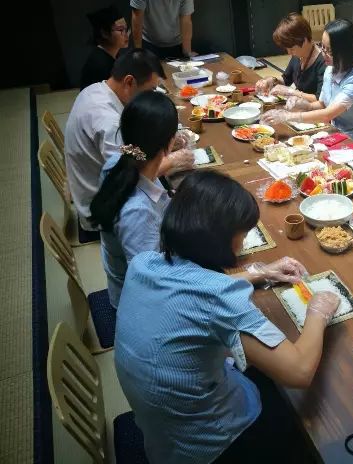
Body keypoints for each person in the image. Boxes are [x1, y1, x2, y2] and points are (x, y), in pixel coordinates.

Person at [114, 170, 340, 463]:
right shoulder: (220, 298)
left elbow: (193, 286)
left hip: (160, 432)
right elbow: (299, 372)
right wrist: (318, 313)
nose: (244, 243)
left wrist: (260, 273)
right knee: (315, 420)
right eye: (243, 234)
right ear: (221, 240)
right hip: (207, 446)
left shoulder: (144, 263)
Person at [65, 48, 194, 231]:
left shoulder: (96, 89)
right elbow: (130, 176)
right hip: (104, 212)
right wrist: (173, 161)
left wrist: (163, 142)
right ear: (129, 82)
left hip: (101, 192)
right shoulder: (108, 123)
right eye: (151, 90)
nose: (152, 96)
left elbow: (131, 153)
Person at [89, 91, 176, 308]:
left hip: (134, 274)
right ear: (170, 143)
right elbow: (151, 283)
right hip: (136, 304)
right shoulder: (138, 212)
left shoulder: (118, 162)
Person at [261, 19, 353, 142]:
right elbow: (322, 104)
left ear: (345, 51)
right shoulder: (330, 70)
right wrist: (304, 104)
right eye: (322, 47)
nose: (323, 53)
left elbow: (327, 114)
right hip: (336, 133)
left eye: (329, 50)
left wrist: (288, 116)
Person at [255, 12, 326, 100]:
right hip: (300, 105)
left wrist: (291, 92)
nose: (289, 52)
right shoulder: (298, 55)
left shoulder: (323, 61)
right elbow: (286, 79)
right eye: (287, 49)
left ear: (304, 40)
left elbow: (320, 99)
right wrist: (271, 80)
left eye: (292, 49)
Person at [130, 0, 195, 59]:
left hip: (177, 43)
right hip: (148, 42)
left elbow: (186, 21)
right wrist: (138, 52)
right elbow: (137, 18)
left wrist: (187, 53)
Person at [81, 5, 129, 89]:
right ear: (105, 33)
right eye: (121, 30)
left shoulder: (115, 54)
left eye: (126, 29)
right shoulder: (99, 64)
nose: (126, 34)